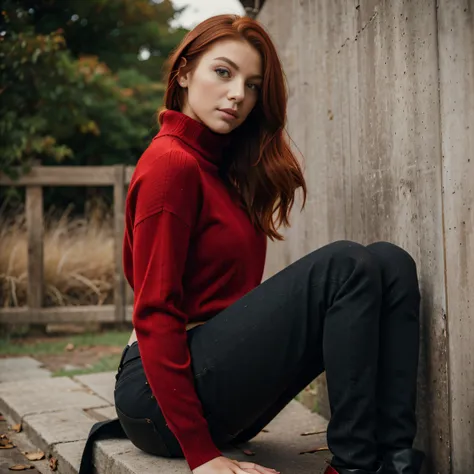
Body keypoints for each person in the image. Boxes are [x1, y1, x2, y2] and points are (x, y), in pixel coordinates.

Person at [79, 14, 424, 474]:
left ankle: (396, 458)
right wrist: (203, 457)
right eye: (223, 72)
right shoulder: (170, 165)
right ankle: (355, 466)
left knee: (389, 261)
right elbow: (155, 313)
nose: (238, 94)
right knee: (345, 265)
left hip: (215, 382)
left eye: (253, 84)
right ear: (184, 73)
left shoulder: (224, 170)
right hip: (158, 404)